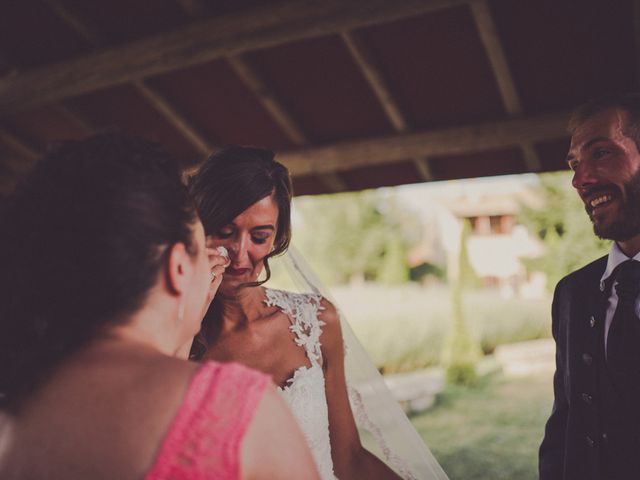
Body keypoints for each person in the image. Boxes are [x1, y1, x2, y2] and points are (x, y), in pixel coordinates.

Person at [0, 134, 319, 480]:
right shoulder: (237, 410)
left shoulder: (16, 414)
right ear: (179, 267)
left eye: (258, 236)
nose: (235, 256)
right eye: (207, 244)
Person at [188, 146, 448, 480]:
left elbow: (349, 458)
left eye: (259, 236)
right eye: (225, 232)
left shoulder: (316, 323)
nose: (240, 254)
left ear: (277, 238)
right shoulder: (175, 338)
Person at [539, 93, 640, 479]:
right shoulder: (571, 294)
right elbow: (565, 425)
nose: (579, 180)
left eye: (601, 154)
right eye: (575, 165)